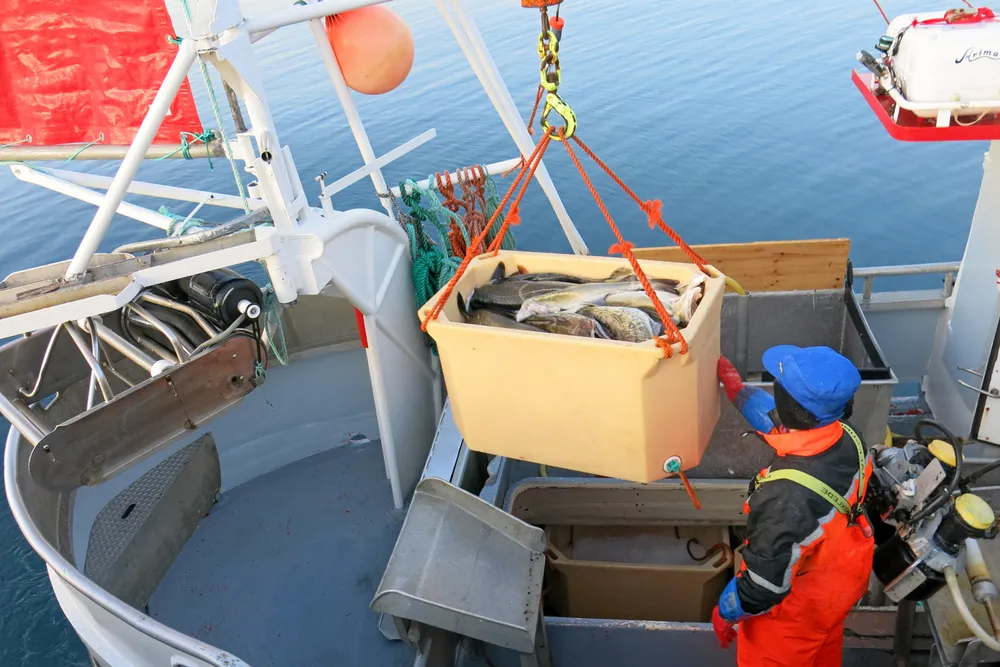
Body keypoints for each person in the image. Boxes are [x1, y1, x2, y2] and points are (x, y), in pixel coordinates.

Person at [711, 345, 875, 667]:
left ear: (790, 409)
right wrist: (738, 391)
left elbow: (763, 586)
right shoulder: (847, 436)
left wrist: (725, 612)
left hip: (793, 616)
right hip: (835, 592)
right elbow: (785, 423)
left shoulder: (786, 497)